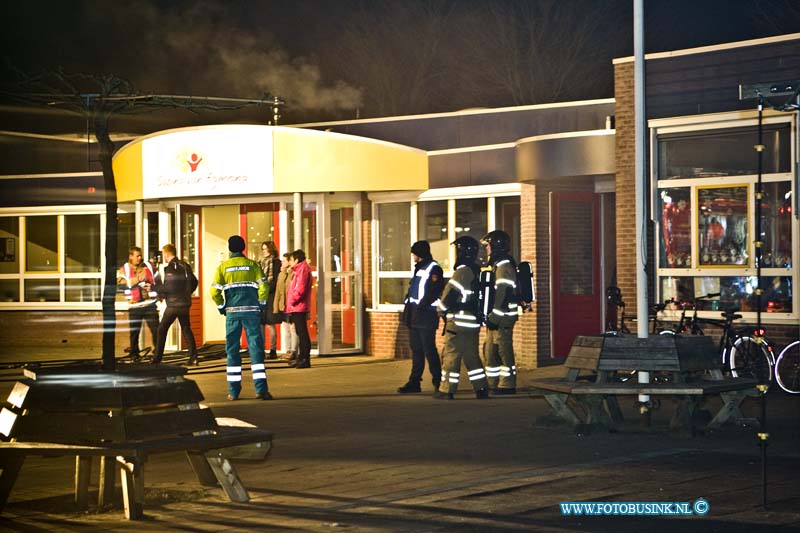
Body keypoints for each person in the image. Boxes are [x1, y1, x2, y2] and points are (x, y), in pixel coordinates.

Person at [211, 235, 273, 400]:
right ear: (244, 247)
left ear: (230, 249)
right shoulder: (253, 265)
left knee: (232, 350)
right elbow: (264, 286)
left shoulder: (223, 267)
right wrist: (261, 304)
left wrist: (221, 306)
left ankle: (233, 391)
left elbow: (214, 291)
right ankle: (261, 390)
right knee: (256, 349)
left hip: (232, 313)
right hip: (252, 312)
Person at [434, 236, 489, 400]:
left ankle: (446, 390)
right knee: (472, 356)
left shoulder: (462, 271)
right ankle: (481, 389)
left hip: (458, 321)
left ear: (463, 251)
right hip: (472, 321)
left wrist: (440, 310)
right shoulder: (475, 270)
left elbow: (450, 294)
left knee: (451, 354)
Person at [397, 240, 444, 394]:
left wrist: (421, 306)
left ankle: (439, 382)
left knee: (429, 349)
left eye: (414, 253)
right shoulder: (419, 268)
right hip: (415, 314)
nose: (413, 257)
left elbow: (434, 291)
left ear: (420, 254)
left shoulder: (433, 268)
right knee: (416, 349)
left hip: (425, 315)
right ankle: (414, 382)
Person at [481, 230, 519, 395]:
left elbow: (502, 294)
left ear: (495, 246)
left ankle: (508, 385)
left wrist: (494, 317)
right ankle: (493, 382)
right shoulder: (499, 265)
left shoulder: (504, 268)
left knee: (504, 350)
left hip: (503, 318)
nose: (486, 249)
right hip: (496, 317)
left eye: (488, 246)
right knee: (490, 350)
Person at [152, 244, 198, 365]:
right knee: (186, 328)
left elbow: (169, 287)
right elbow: (194, 281)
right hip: (185, 303)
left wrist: (153, 287)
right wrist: (188, 293)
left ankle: (157, 358)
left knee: (162, 329)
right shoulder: (185, 265)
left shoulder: (171, 268)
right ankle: (193, 357)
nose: (163, 257)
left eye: (163, 254)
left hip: (174, 305)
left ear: (166, 254)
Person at [117, 246, 159, 362]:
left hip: (149, 304)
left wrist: (159, 292)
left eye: (140, 256)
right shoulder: (124, 269)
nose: (139, 258)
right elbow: (121, 283)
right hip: (135, 306)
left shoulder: (148, 266)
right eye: (137, 256)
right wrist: (138, 279)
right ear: (131, 256)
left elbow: (157, 280)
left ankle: (157, 353)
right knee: (134, 332)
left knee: (156, 330)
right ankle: (134, 354)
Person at [286, 249, 312, 368]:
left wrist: (291, 301)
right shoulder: (299, 270)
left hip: (298, 306)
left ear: (296, 260)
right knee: (299, 332)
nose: (289, 262)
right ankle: (301, 358)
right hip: (296, 306)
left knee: (302, 333)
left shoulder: (302, 270)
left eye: (291, 260)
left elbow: (300, 289)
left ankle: (305, 359)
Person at [260, 241, 282, 360]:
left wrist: (267, 289)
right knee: (261, 323)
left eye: (265, 249)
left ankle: (273, 350)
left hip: (271, 296)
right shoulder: (260, 262)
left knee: (270, 324)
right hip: (260, 295)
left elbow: (275, 280)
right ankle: (261, 350)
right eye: (262, 249)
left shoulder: (276, 262)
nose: (263, 251)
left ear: (271, 249)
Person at [274, 252, 298, 362]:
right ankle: (288, 350)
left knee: (293, 329)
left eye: (284, 261)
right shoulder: (281, 274)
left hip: (291, 306)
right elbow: (278, 292)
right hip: (283, 306)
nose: (282, 262)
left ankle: (294, 351)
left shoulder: (294, 273)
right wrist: (276, 307)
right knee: (286, 329)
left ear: (289, 262)